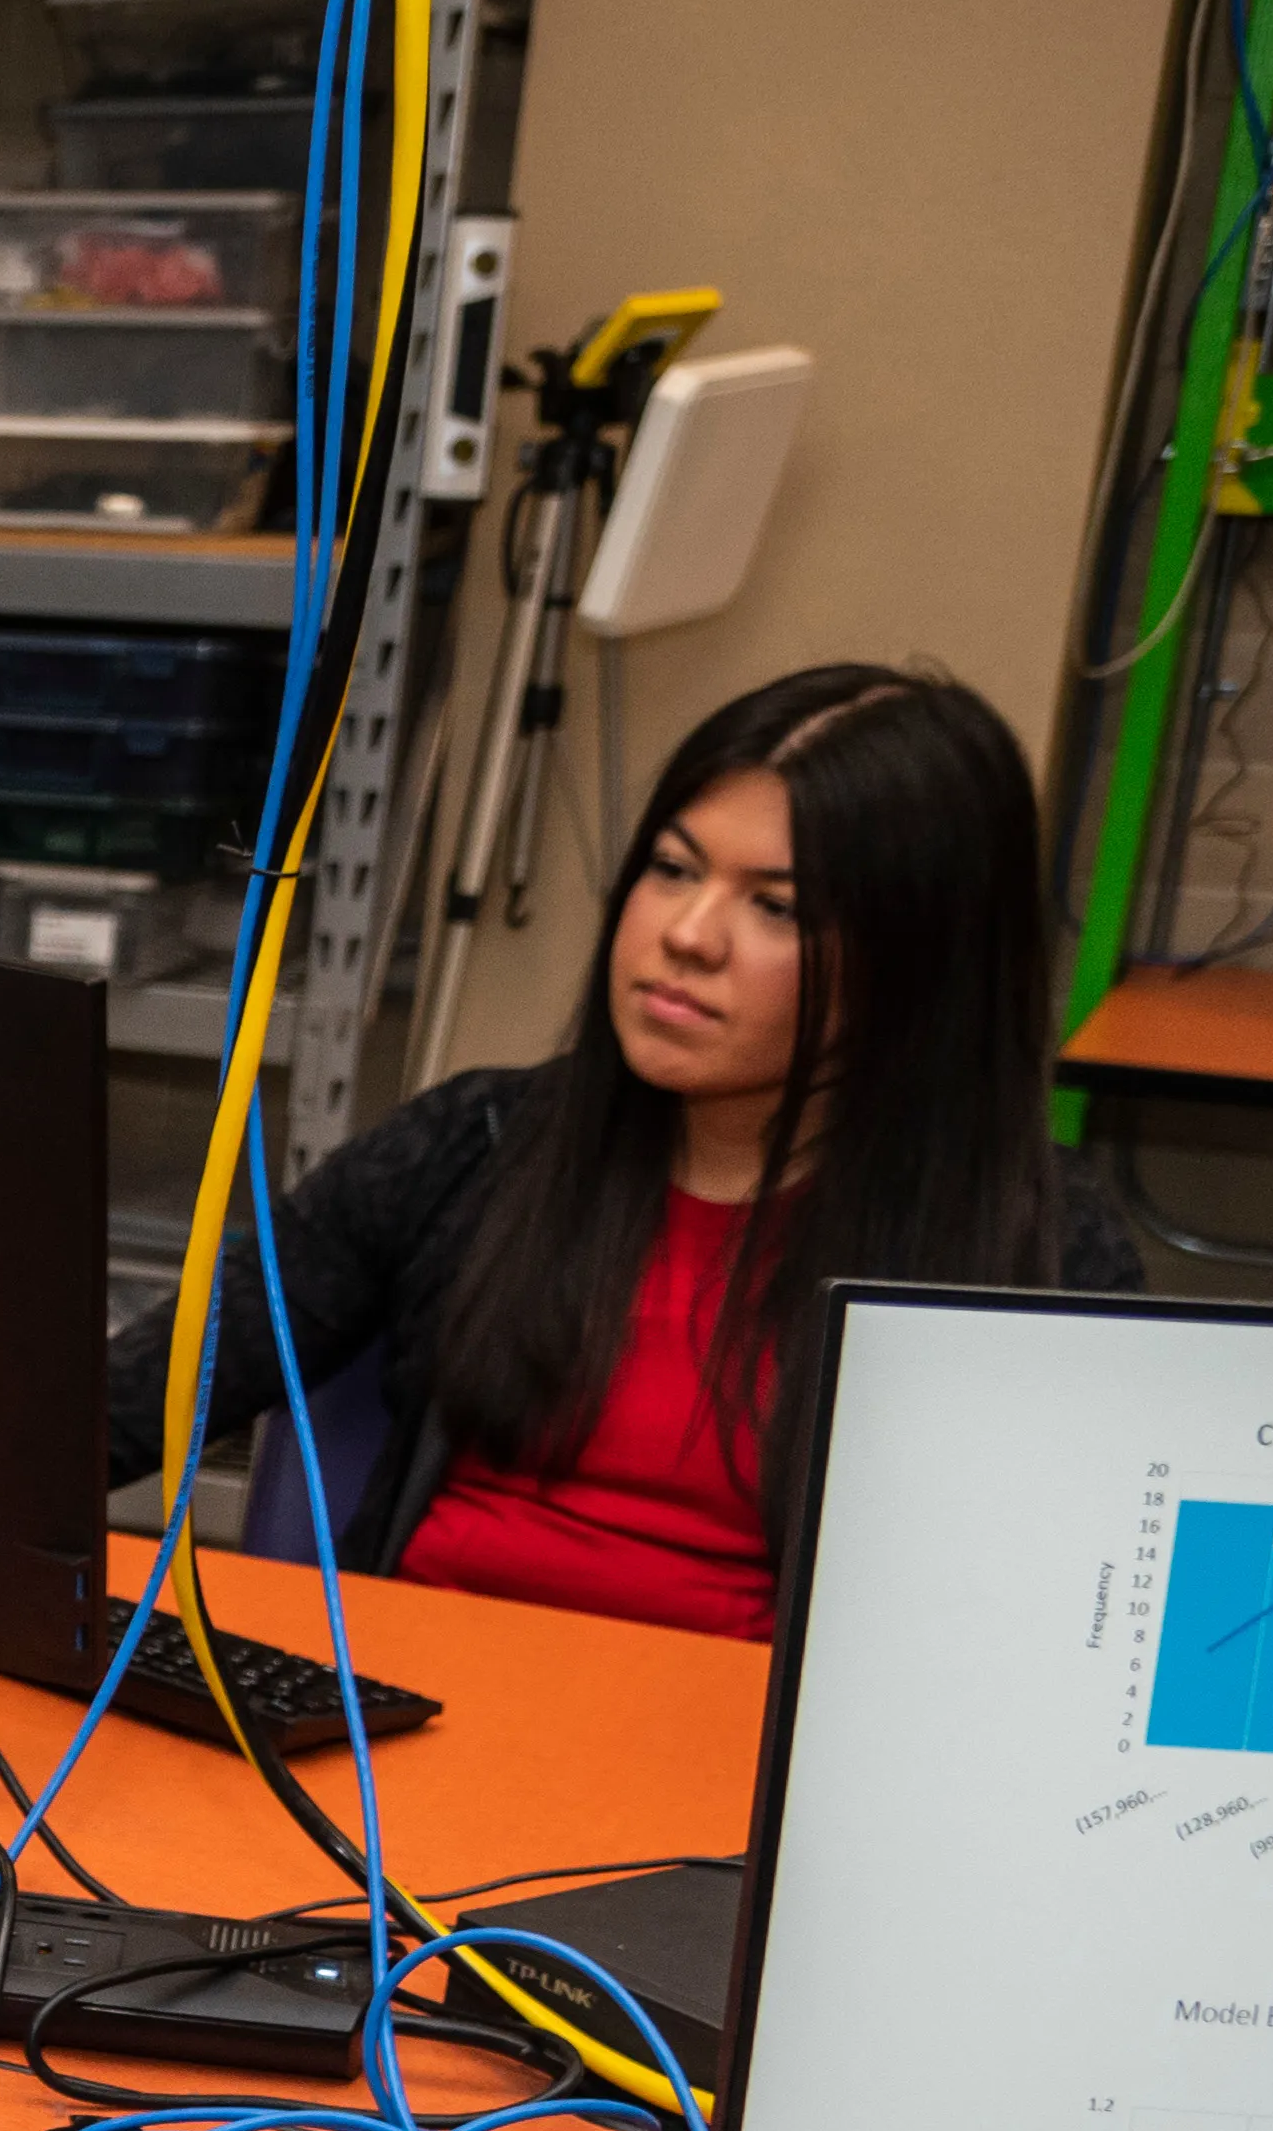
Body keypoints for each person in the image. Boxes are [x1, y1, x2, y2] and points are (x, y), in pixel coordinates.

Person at [105, 660, 1136, 1639]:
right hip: (395, 1746)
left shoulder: (1032, 1248)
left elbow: (1055, 1640)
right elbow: (138, 1393)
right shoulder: (477, 1143)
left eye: (776, 906)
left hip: (729, 1791)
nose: (687, 934)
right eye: (673, 868)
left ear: (922, 967)